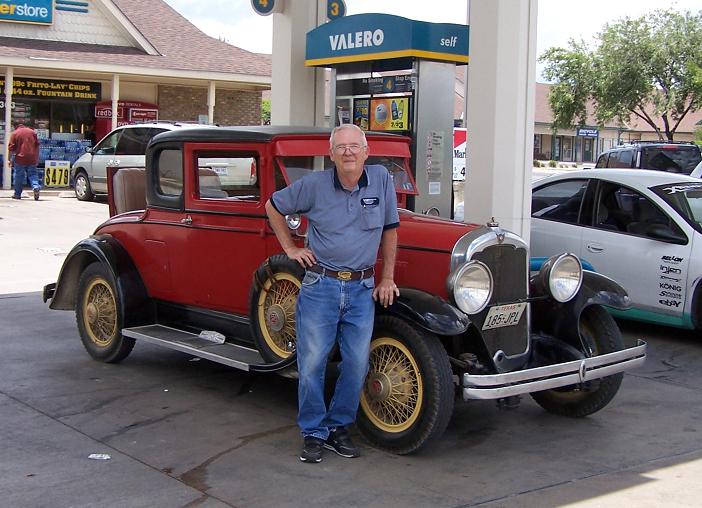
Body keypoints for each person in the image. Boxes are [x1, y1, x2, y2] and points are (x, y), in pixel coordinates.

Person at [265, 124, 400, 464]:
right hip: (320, 286)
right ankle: (313, 432)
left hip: (362, 289)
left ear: (366, 152)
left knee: (356, 364)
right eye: (341, 147)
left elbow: (390, 230)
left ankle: (339, 427)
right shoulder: (314, 186)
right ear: (331, 154)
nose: (348, 152)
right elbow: (272, 206)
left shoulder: (381, 179)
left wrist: (387, 278)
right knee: (311, 364)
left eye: (355, 146)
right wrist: (290, 248)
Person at [9, 122, 41, 200]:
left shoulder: (15, 133)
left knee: (18, 176)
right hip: (32, 158)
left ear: (15, 127)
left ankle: (17, 194)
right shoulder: (32, 132)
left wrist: (9, 160)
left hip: (20, 158)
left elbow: (11, 148)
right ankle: (35, 187)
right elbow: (37, 146)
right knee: (33, 174)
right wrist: (37, 158)